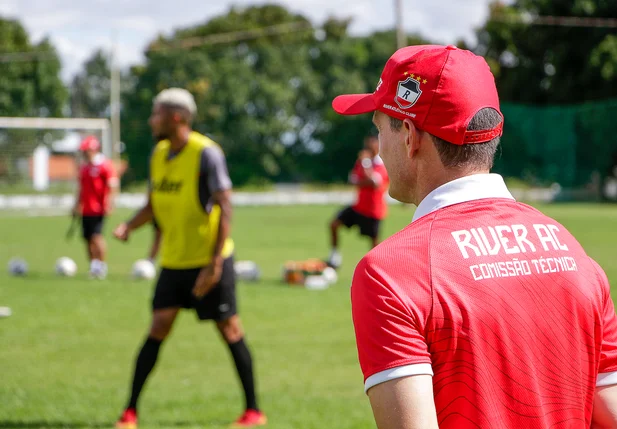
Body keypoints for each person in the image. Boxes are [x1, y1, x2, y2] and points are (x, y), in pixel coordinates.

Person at [332, 44, 617, 429]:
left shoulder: (390, 274)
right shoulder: (572, 252)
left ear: (409, 136)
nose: (379, 149)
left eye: (379, 127)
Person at [112, 88, 266, 428]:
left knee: (230, 329)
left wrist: (214, 264)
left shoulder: (206, 154)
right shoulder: (159, 153)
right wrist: (129, 227)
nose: (152, 119)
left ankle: (253, 411)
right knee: (158, 327)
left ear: (177, 117)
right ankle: (130, 411)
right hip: (174, 261)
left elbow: (225, 206)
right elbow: (153, 203)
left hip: (210, 261)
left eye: (157, 114)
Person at [326, 135, 389, 269]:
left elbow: (375, 182)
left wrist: (365, 166)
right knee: (333, 224)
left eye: (371, 145)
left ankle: (377, 268)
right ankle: (334, 257)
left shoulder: (380, 163)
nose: (367, 148)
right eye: (366, 146)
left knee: (374, 243)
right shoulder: (361, 162)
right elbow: (353, 179)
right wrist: (363, 180)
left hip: (374, 210)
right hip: (359, 207)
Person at [72, 135, 118, 279]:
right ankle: (93, 266)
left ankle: (102, 266)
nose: (85, 153)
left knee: (97, 237)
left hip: (98, 209)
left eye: (86, 150)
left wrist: (109, 203)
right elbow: (81, 189)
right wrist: (76, 205)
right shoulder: (84, 168)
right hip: (86, 209)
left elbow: (112, 185)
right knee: (87, 238)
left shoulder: (104, 165)